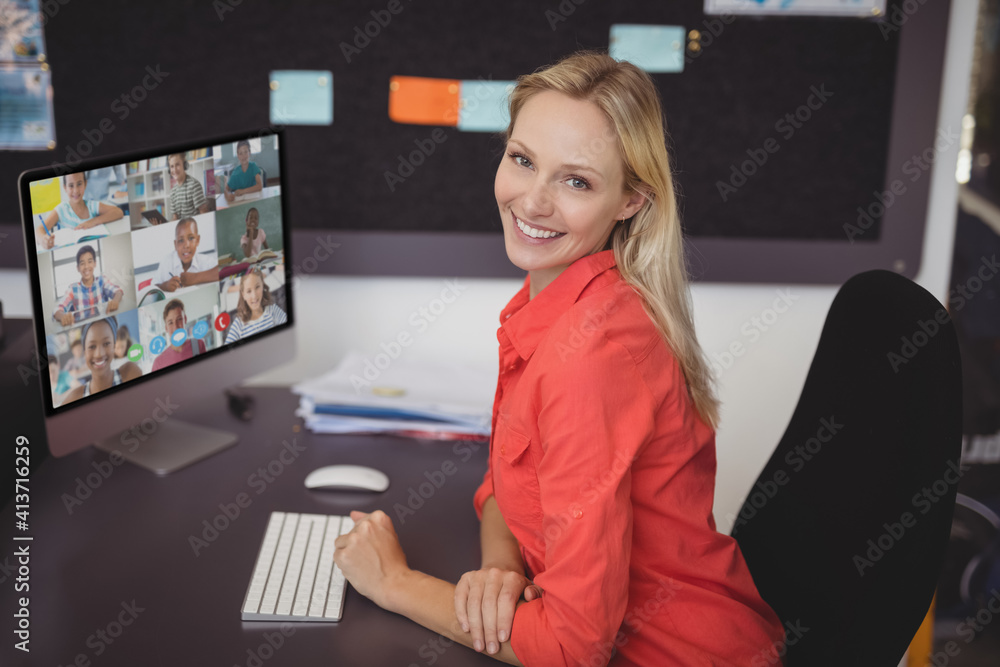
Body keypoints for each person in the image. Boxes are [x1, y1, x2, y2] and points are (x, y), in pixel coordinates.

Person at [331, 52, 785, 666]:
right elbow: (505, 484)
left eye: (576, 181)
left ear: (630, 200)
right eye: (522, 160)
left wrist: (395, 584)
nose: (532, 201)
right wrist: (500, 570)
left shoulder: (588, 356)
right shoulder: (552, 302)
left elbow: (571, 649)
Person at [61, 317, 141, 404]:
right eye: (92, 346)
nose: (99, 354)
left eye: (106, 343)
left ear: (114, 346)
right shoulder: (75, 398)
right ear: (85, 352)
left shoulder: (130, 373)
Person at [36, 172, 124, 249]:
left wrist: (93, 221)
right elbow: (39, 230)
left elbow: (118, 212)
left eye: (79, 184)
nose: (76, 190)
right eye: (71, 186)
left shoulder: (91, 205)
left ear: (85, 184)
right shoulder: (61, 209)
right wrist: (43, 240)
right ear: (65, 187)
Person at [52, 245, 123, 327]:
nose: (86, 267)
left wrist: (115, 301)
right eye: (82, 263)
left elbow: (118, 291)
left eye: (89, 262)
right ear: (78, 268)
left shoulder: (102, 280)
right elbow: (57, 310)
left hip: (104, 325)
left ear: (95, 263)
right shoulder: (72, 289)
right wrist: (62, 316)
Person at [155, 218, 219, 293]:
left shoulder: (205, 261)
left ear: (198, 240)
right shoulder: (166, 262)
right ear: (175, 244)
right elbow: (151, 289)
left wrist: (195, 278)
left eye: (191, 238)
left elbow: (223, 270)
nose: (186, 245)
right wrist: (164, 286)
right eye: (181, 240)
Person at [224, 268, 286, 343]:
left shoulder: (272, 310)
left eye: (257, 287)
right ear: (243, 294)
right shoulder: (238, 325)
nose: (254, 296)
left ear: (262, 286)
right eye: (249, 291)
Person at [151, 299, 207, 371]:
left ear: (185, 319)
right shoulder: (158, 363)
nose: (176, 327)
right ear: (166, 328)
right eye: (170, 323)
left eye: (179, 319)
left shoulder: (199, 345)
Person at [168, 153, 211, 220]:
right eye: (172, 166)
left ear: (184, 165)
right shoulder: (173, 192)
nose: (175, 170)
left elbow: (204, 215)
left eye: (177, 165)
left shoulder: (194, 185)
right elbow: (175, 218)